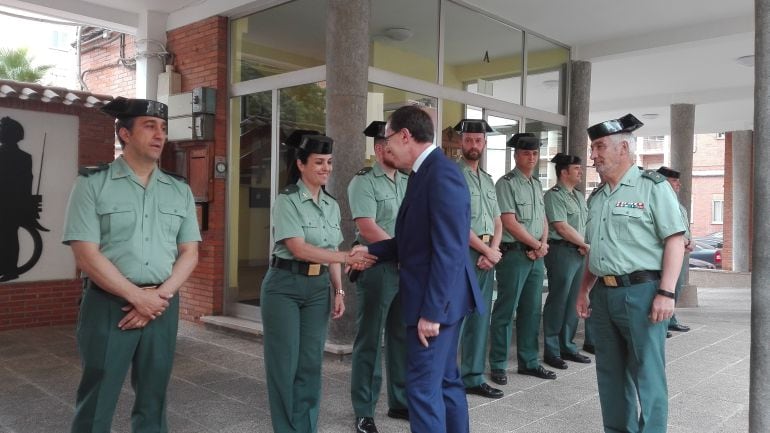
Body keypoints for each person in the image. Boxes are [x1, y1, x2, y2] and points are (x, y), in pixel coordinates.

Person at [62, 97, 201, 432]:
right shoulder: (93, 183)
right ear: (124, 133)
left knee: (154, 399)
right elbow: (85, 254)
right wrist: (138, 298)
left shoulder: (178, 189)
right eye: (149, 126)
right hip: (109, 305)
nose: (160, 135)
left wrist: (158, 298)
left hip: (162, 306)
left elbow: (190, 252)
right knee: (98, 397)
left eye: (164, 128)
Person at [359, 105, 483, 433]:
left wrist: (431, 312)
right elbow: (415, 241)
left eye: (387, 139)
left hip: (435, 304)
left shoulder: (440, 174)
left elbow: (450, 250)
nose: (384, 148)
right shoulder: (421, 173)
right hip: (440, 299)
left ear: (405, 135)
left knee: (422, 390)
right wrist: (371, 250)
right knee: (445, 382)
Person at [576, 114, 685, 433]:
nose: (593, 155)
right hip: (604, 296)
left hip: (642, 294)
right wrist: (583, 290)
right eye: (593, 147)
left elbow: (674, 241)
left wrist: (666, 292)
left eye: (599, 147)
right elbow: (595, 251)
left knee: (648, 375)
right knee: (610, 375)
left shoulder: (653, 187)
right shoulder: (596, 198)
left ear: (623, 148)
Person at [261, 130, 374, 433]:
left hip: (316, 288)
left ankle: (306, 427)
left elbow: (332, 251)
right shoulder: (287, 201)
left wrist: (337, 290)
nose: (326, 168)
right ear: (301, 164)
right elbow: (298, 248)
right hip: (284, 285)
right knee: (284, 365)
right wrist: (346, 259)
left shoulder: (331, 204)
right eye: (319, 162)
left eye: (329, 162)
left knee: (310, 364)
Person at [348, 121, 409, 433]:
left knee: (400, 338)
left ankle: (399, 401)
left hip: (405, 269)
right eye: (387, 143)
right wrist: (401, 252)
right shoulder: (364, 182)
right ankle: (364, 409)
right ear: (377, 148)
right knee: (370, 339)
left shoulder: (405, 180)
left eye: (395, 142)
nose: (393, 147)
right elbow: (368, 226)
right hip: (377, 267)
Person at [489, 132, 556, 384]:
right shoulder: (505, 183)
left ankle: (529, 362)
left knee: (531, 311)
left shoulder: (536, 184)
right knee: (506, 311)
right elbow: (509, 221)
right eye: (526, 153)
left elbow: (543, 219)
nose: (531, 157)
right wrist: (537, 244)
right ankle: (498, 364)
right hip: (515, 255)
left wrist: (543, 244)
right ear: (516, 155)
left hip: (536, 256)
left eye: (535, 153)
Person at [453, 119, 504, 399]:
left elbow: (497, 219)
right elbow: (456, 221)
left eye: (479, 140)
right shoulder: (453, 175)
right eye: (469, 140)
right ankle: (449, 377)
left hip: (488, 253)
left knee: (480, 317)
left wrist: (493, 250)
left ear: (484, 144)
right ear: (462, 142)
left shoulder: (487, 179)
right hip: (465, 253)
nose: (474, 145)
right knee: (457, 317)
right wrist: (485, 251)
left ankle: (473, 376)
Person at [541, 153, 592, 370]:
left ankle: (567, 346)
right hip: (562, 252)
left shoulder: (578, 196)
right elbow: (561, 226)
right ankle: (551, 350)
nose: (580, 172)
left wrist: (585, 244)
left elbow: (584, 224)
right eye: (576, 168)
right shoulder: (554, 196)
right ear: (564, 172)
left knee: (574, 300)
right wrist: (586, 244)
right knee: (558, 299)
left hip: (579, 252)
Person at [657, 166, 693, 333]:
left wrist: (690, 241)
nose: (678, 184)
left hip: (681, 251)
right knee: (666, 288)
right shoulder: (661, 202)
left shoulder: (677, 203)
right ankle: (663, 324)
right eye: (674, 180)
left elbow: (684, 228)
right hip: (666, 254)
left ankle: (670, 320)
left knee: (676, 287)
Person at [0, 116, 33, 282]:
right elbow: (28, 183)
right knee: (10, 237)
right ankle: (9, 269)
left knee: (7, 237)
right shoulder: (25, 157)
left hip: (7, 205)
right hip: (15, 205)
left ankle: (8, 269)